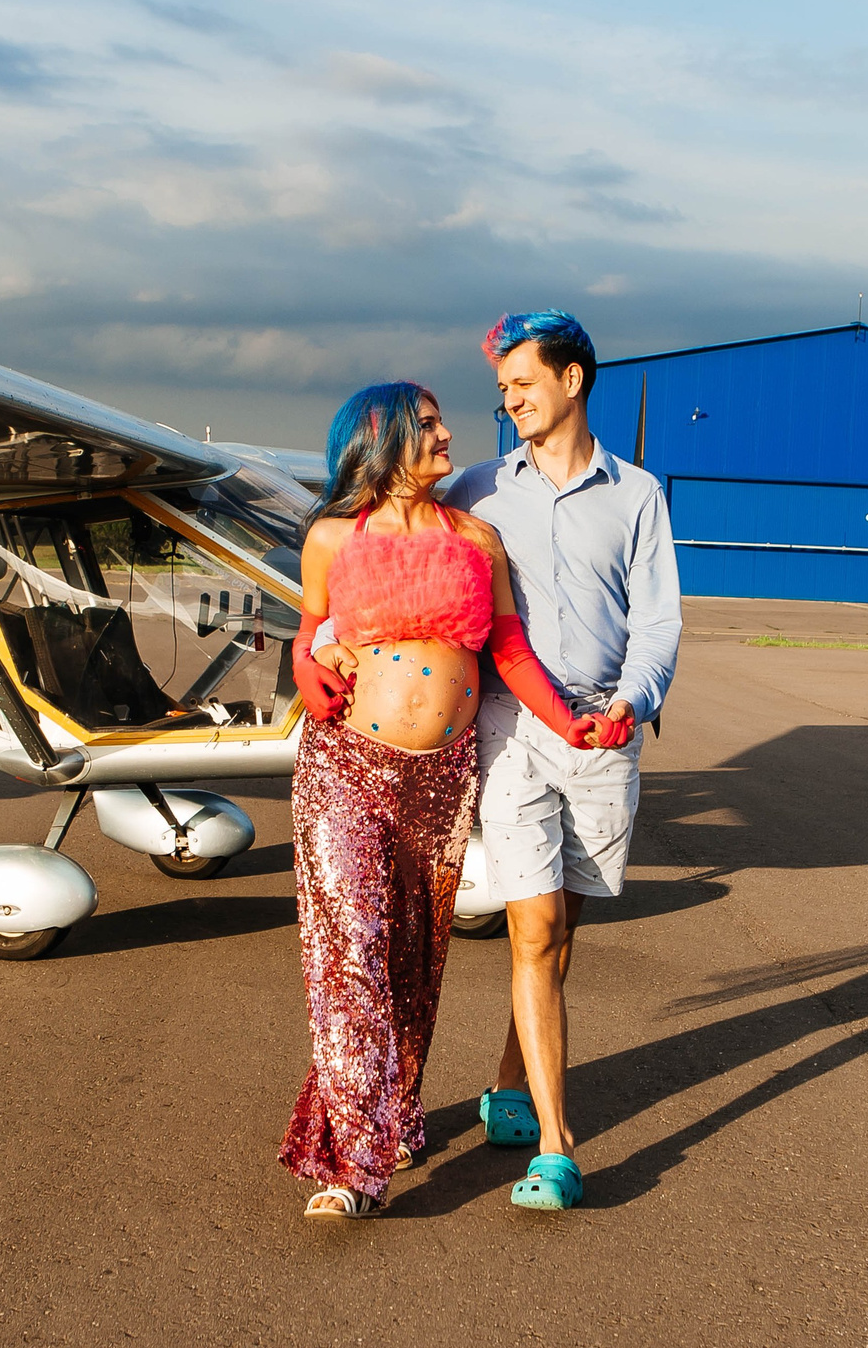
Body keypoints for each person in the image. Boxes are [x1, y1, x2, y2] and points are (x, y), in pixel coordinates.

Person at [318, 311, 679, 1212]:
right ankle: (547, 1147)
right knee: (510, 932)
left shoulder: (636, 494)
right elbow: (343, 594)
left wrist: (628, 704)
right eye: (501, 388)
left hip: (595, 733)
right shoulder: (475, 489)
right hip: (498, 734)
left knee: (560, 930)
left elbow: (658, 618)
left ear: (571, 381)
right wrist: (318, 652)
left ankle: (512, 1081)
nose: (506, 401)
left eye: (521, 383)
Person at [280, 381, 607, 1220]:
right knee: (351, 954)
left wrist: (570, 725)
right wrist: (305, 668)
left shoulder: (478, 540)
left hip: (439, 778)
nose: (446, 433)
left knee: (412, 960)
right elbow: (310, 627)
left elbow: (509, 650)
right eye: (426, 425)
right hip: (345, 765)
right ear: (382, 439)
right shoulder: (329, 537)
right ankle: (351, 1164)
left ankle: (390, 1110)